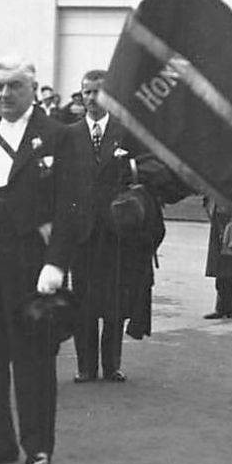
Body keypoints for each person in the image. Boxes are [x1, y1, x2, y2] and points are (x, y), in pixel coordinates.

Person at [0, 57, 90, 464]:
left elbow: (74, 205)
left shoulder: (58, 136)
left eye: (14, 86)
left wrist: (57, 262)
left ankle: (38, 445)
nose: (6, 94)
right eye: (0, 87)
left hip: (29, 261)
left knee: (32, 356)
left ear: (32, 88)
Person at [70, 70, 160, 383]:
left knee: (113, 300)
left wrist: (132, 169)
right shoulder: (69, 135)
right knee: (83, 302)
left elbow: (151, 167)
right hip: (82, 234)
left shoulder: (126, 134)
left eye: (97, 92)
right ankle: (85, 367)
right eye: (86, 92)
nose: (91, 98)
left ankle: (111, 365)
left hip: (115, 234)